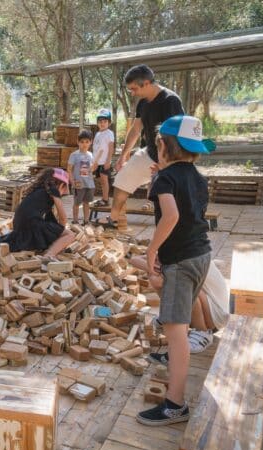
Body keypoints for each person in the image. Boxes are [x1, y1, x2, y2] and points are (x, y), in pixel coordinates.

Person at [136, 115, 215, 427]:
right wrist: (159, 179)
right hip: (201, 255)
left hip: (180, 261)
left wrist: (151, 250)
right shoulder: (196, 177)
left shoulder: (166, 180)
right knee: (178, 322)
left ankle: (175, 404)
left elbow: (169, 215)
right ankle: (173, 360)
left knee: (176, 330)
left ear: (162, 145)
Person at [97, 65, 185, 229]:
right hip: (150, 152)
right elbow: (136, 129)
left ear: (146, 83)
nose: (132, 93)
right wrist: (123, 155)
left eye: (134, 89)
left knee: (164, 195)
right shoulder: (143, 103)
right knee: (122, 178)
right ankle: (113, 218)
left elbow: (176, 137)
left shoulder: (170, 101)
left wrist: (164, 164)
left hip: (172, 158)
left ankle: (171, 229)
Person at [130, 256, 229, 354]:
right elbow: (134, 259)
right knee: (160, 276)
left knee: (178, 284)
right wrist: (156, 268)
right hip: (205, 306)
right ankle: (169, 316)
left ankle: (202, 332)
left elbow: (159, 282)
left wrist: (154, 269)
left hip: (215, 317)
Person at [0, 168, 75, 259]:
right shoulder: (52, 193)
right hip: (31, 226)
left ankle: (46, 251)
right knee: (70, 235)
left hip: (21, 228)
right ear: (60, 185)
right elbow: (63, 221)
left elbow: (49, 218)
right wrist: (57, 197)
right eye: (64, 186)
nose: (65, 192)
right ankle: (48, 256)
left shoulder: (39, 192)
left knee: (54, 231)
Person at [67, 130, 95, 225]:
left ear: (90, 142)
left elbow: (91, 169)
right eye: (82, 142)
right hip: (79, 184)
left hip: (89, 184)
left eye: (87, 142)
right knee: (77, 203)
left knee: (86, 203)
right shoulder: (74, 155)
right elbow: (69, 169)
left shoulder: (91, 155)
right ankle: (75, 221)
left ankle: (86, 221)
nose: (84, 144)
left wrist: (93, 169)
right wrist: (72, 182)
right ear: (78, 142)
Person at [92, 108, 116, 206]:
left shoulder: (109, 133)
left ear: (109, 123)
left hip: (105, 162)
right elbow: (96, 148)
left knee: (104, 181)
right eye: (100, 121)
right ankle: (103, 198)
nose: (102, 123)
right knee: (101, 181)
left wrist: (108, 161)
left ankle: (106, 200)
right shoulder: (98, 134)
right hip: (98, 162)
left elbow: (111, 148)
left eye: (105, 121)